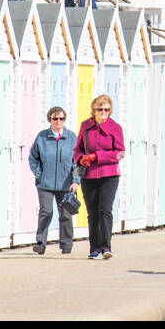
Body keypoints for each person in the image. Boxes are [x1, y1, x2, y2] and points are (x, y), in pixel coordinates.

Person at [74, 94, 125, 259]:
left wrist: (98, 156)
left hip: (109, 175)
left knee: (105, 210)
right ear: (93, 110)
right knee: (92, 212)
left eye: (106, 109)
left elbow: (120, 153)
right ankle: (94, 248)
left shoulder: (115, 128)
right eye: (100, 109)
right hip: (89, 175)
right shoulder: (86, 126)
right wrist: (80, 158)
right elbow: (78, 149)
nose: (103, 112)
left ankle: (106, 246)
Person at [28, 106, 81, 255]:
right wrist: (40, 174)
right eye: (55, 119)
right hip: (45, 183)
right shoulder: (42, 137)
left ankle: (66, 245)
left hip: (66, 184)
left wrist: (76, 180)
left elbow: (77, 161)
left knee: (65, 214)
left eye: (61, 119)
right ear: (50, 120)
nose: (58, 121)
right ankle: (40, 243)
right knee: (46, 211)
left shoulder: (72, 137)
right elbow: (33, 158)